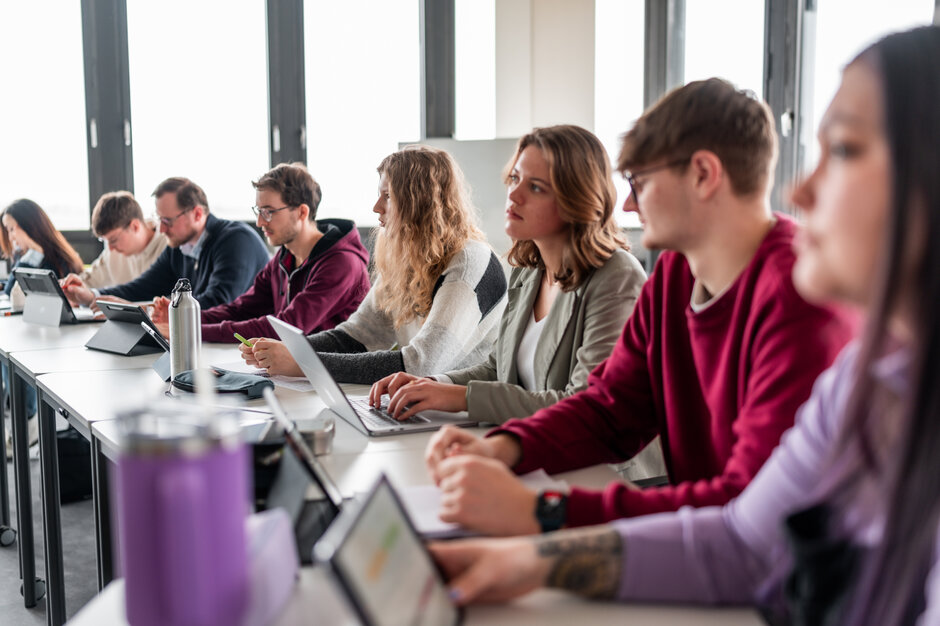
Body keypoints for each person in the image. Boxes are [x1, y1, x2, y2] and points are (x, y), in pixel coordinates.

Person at [427, 26, 940, 625]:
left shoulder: (803, 303)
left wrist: (544, 519)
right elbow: (736, 531)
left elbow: (745, 521)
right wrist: (513, 468)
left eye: (845, 150)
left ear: (703, 174)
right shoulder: (866, 374)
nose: (802, 188)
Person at [422, 77, 859, 536]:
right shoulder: (672, 275)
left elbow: (747, 508)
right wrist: (505, 447)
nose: (628, 204)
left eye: (640, 181)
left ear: (704, 175)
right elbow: (610, 410)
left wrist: (547, 513)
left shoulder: (798, 295)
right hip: (704, 545)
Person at [368, 125, 646, 424]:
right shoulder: (528, 271)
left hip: (601, 465)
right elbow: (496, 369)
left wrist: (460, 397)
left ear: (576, 199)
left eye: (536, 186)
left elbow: (584, 404)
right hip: (535, 444)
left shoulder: (617, 276)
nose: (514, 193)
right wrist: (432, 385)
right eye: (515, 178)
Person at [240, 145, 507, 385]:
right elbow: (356, 337)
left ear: (421, 202)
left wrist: (304, 363)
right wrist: (288, 350)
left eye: (388, 196)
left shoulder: (470, 263)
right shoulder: (406, 258)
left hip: (466, 416)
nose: (376, 207)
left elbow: (421, 365)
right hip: (421, 405)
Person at [148, 163, 370, 341]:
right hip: (295, 371)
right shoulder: (284, 258)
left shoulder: (341, 263)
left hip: (338, 382)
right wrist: (184, 317)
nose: (259, 221)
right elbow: (240, 310)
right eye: (258, 211)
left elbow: (284, 328)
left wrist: (188, 330)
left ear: (302, 212)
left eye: (269, 212)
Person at [62, 177, 269, 309]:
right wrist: (91, 296)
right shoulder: (179, 246)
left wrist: (141, 309)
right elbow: (142, 287)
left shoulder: (235, 241)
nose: (161, 229)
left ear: (197, 214)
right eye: (159, 219)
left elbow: (216, 303)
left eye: (167, 221)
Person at [1, 199, 84, 452]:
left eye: (13, 229)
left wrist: (35, 255)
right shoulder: (25, 257)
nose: (10, 235)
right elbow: (9, 290)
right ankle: (23, 420)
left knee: (16, 352)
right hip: (34, 327)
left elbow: (58, 294)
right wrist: (29, 257)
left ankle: (29, 422)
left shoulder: (57, 257)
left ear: (30, 227)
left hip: (58, 335)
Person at [71, 191, 167, 289]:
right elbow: (91, 279)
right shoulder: (113, 252)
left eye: (113, 240)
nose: (110, 248)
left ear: (135, 226)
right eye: (105, 241)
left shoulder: (168, 244)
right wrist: (73, 285)